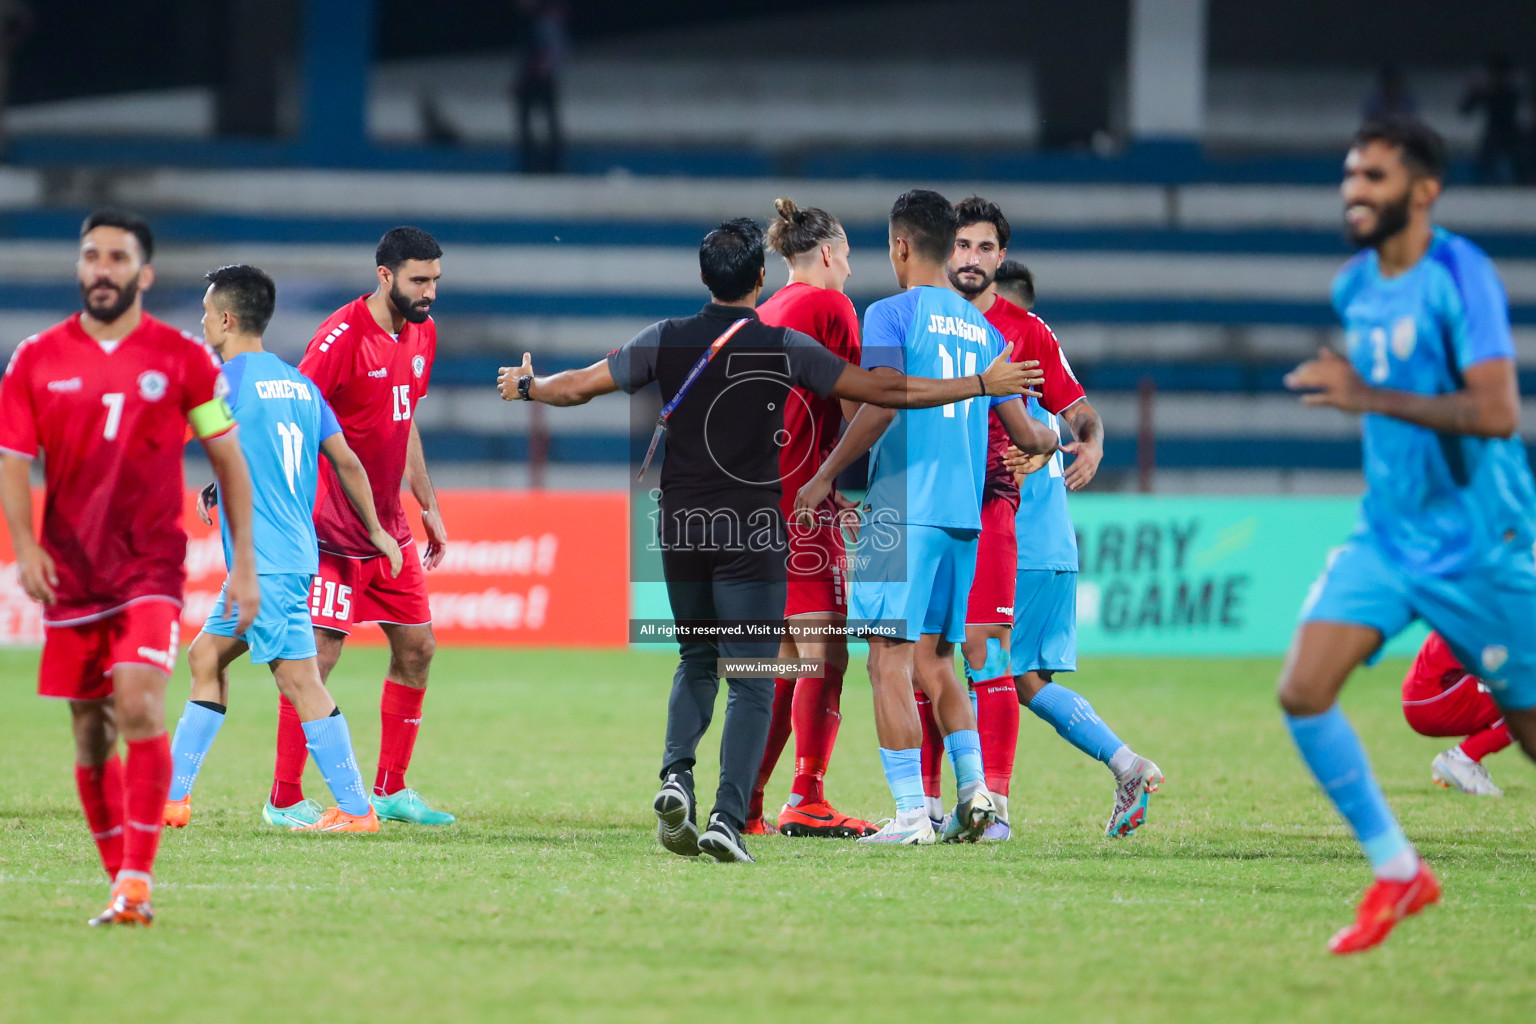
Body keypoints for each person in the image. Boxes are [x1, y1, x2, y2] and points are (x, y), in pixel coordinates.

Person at [496, 216, 1044, 863]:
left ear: (707, 276)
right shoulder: (795, 332)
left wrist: (528, 386)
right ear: (762, 275)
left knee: (702, 660)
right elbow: (881, 392)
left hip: (680, 523)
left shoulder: (666, 338)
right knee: (781, 668)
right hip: (763, 524)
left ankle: (679, 776)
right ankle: (749, 809)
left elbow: (582, 385)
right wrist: (979, 386)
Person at [1281, 115, 1536, 955]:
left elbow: (1497, 412)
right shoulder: (1355, 285)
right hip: (1389, 536)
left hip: (1480, 543)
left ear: (1424, 191)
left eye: (1376, 178)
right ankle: (1398, 873)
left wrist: (1366, 396)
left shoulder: (1460, 274)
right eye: (1351, 176)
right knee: (1303, 689)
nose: (1356, 191)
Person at [0, 209, 258, 926]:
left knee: (141, 705)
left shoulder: (180, 358)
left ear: (142, 273)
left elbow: (227, 458)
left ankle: (138, 882)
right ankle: (119, 879)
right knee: (89, 731)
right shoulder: (36, 359)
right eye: (91, 256)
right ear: (80, 268)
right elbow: (13, 463)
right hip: (72, 573)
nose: (102, 268)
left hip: (149, 565)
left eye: (117, 257)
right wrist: (25, 545)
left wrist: (245, 566)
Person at [794, 189, 1060, 847]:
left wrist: (824, 475)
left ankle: (913, 815)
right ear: (949, 248)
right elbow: (1028, 435)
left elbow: (881, 404)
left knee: (885, 658)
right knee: (939, 659)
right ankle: (976, 797)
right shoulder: (987, 330)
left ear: (901, 247)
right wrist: (1059, 440)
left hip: (901, 510)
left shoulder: (890, 312)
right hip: (963, 519)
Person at [921, 196, 1160, 842]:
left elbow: (1077, 415)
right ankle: (1121, 765)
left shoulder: (1026, 332)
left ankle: (978, 807)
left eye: (984, 248)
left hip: (1015, 537)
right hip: (1017, 534)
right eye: (962, 246)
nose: (972, 258)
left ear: (1001, 256)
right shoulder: (933, 320)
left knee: (980, 663)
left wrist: (1091, 442)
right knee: (1015, 676)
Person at [162, 265, 404, 834]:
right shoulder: (299, 384)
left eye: (204, 314)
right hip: (286, 555)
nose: (201, 324)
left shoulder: (225, 384)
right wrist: (377, 529)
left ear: (225, 318)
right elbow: (345, 460)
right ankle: (171, 800)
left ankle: (356, 809)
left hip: (265, 564)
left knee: (300, 681)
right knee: (205, 658)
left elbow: (169, 440)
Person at [284, 226, 454, 827]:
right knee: (317, 659)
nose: (430, 291)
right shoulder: (338, 339)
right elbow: (293, 417)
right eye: (419, 280)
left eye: (435, 279)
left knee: (417, 648)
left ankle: (390, 789)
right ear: (385, 276)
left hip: (390, 530)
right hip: (332, 532)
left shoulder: (423, 332)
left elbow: (403, 421)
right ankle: (283, 799)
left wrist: (426, 504)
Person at [744, 198, 876, 840]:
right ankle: (809, 797)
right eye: (847, 256)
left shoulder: (766, 311)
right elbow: (859, 405)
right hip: (797, 505)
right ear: (826, 253)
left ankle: (748, 803)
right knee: (823, 654)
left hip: (753, 504)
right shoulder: (830, 307)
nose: (850, 270)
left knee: (784, 659)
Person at [1401, 631, 1512, 796]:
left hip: (1423, 695)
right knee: (1524, 705)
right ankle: (1460, 760)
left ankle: (1463, 760)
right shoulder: (1490, 611)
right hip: (1436, 697)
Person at [513, 0, 569, 173]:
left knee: (548, 121)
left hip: (540, 78)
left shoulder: (545, 23)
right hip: (531, 78)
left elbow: (557, 50)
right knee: (528, 121)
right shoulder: (532, 23)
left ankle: (551, 162)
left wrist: (543, 69)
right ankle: (532, 161)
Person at [1459, 54, 1522, 185]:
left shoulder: (1512, 91)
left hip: (1510, 136)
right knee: (1483, 167)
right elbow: (1465, 110)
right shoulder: (1487, 91)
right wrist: (1474, 91)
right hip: (1492, 135)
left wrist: (1485, 91)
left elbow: (1506, 107)